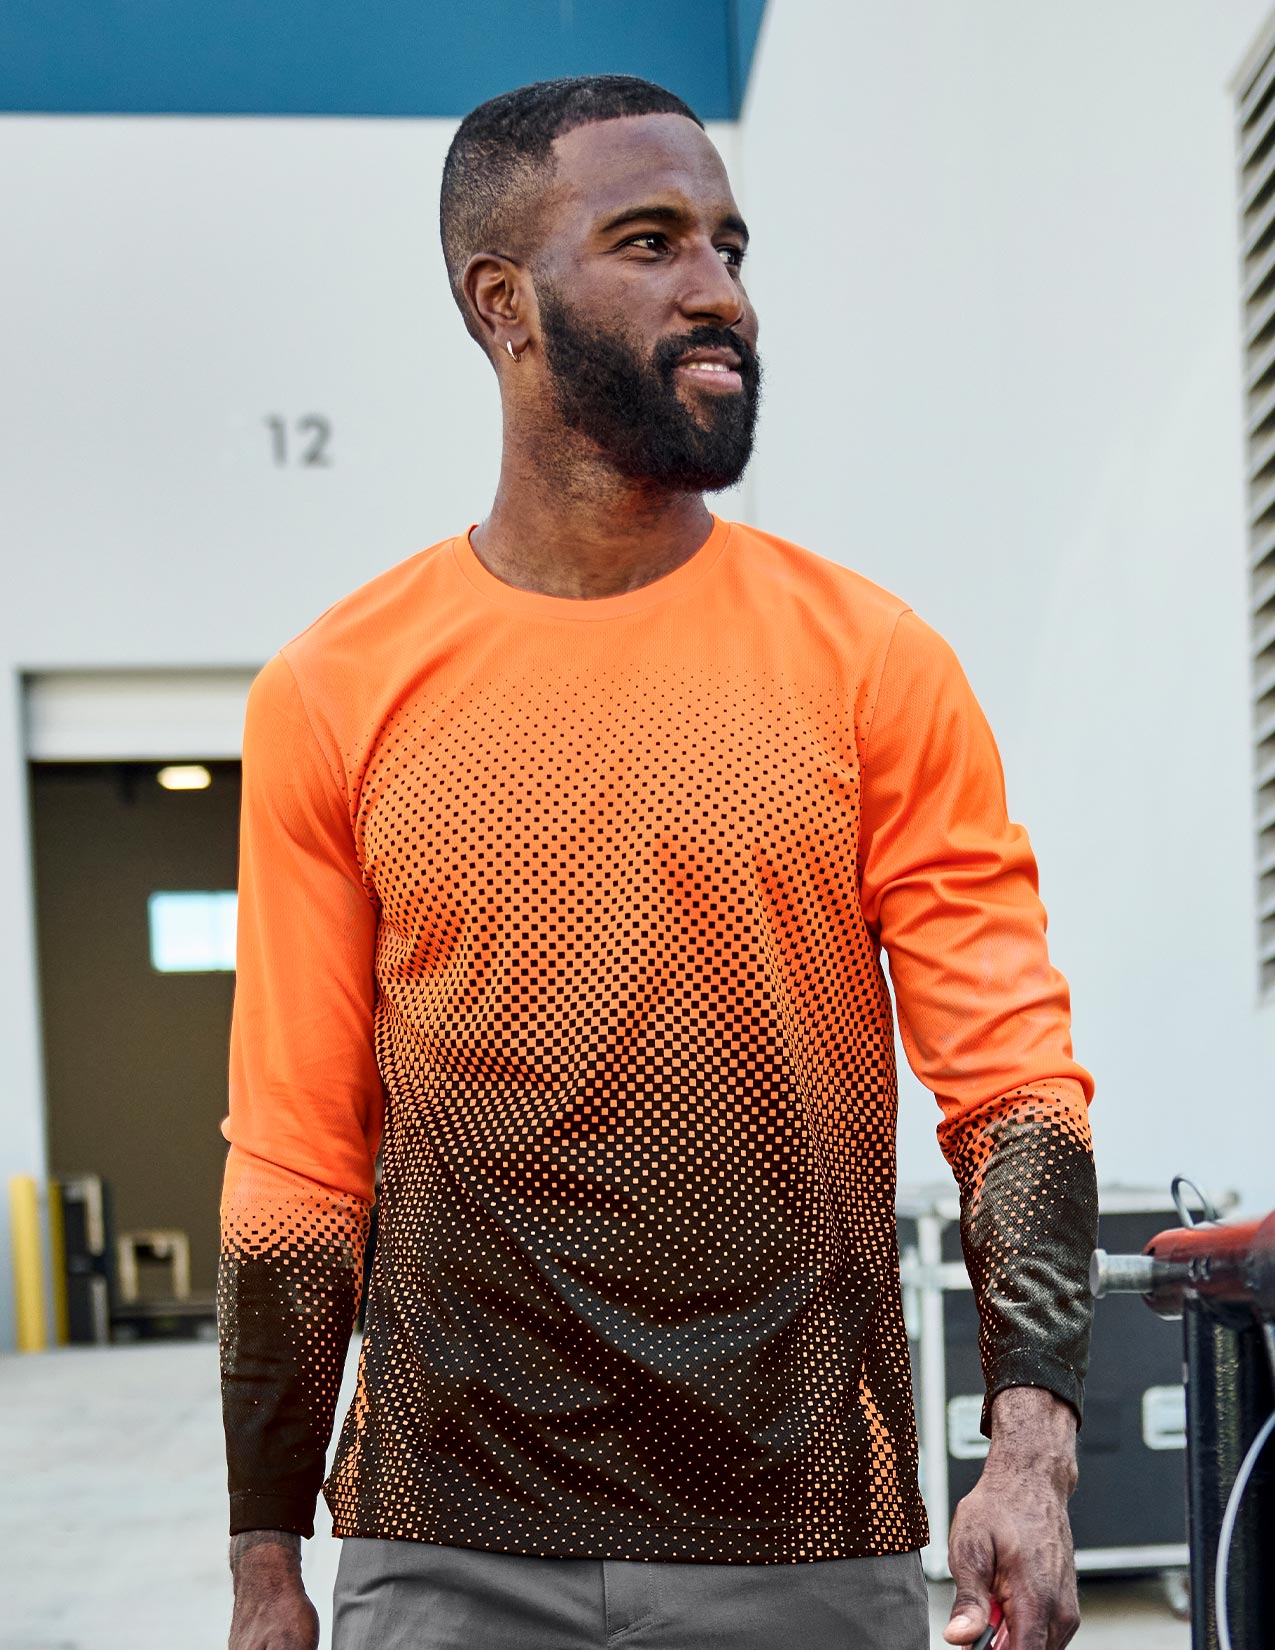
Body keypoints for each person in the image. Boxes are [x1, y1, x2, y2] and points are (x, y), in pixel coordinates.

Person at [220, 74, 1096, 1650]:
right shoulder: (333, 691)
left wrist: (1030, 1451)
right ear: (503, 304)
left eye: (730, 246)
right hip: (448, 1545)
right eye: (652, 241)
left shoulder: (873, 663)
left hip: (798, 1532)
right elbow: (296, 1158)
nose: (721, 292)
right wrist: (264, 1561)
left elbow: (1012, 1079)